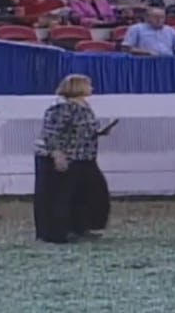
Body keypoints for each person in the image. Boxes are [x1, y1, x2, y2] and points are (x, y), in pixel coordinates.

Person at [34, 74, 114, 243]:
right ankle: (56, 233)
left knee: (92, 192)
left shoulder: (84, 107)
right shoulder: (62, 108)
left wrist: (100, 131)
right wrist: (57, 154)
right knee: (59, 196)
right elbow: (51, 133)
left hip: (83, 157)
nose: (92, 88)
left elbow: (84, 128)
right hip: (65, 156)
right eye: (88, 85)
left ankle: (83, 227)